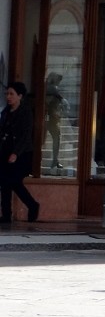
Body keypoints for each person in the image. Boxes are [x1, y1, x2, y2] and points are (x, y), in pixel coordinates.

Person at [0, 82, 40, 224]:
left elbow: (25, 135)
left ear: (20, 96)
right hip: (5, 152)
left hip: (21, 154)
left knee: (14, 182)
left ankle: (32, 205)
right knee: (4, 183)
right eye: (7, 94)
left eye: (11, 94)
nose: (8, 97)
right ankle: (6, 215)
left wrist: (16, 153)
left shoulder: (25, 112)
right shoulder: (6, 112)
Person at [44, 72, 68, 170]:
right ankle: (55, 160)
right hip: (49, 117)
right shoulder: (51, 88)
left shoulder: (51, 89)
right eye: (58, 81)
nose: (59, 83)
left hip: (50, 117)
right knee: (56, 138)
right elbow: (58, 97)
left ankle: (55, 160)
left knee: (56, 138)